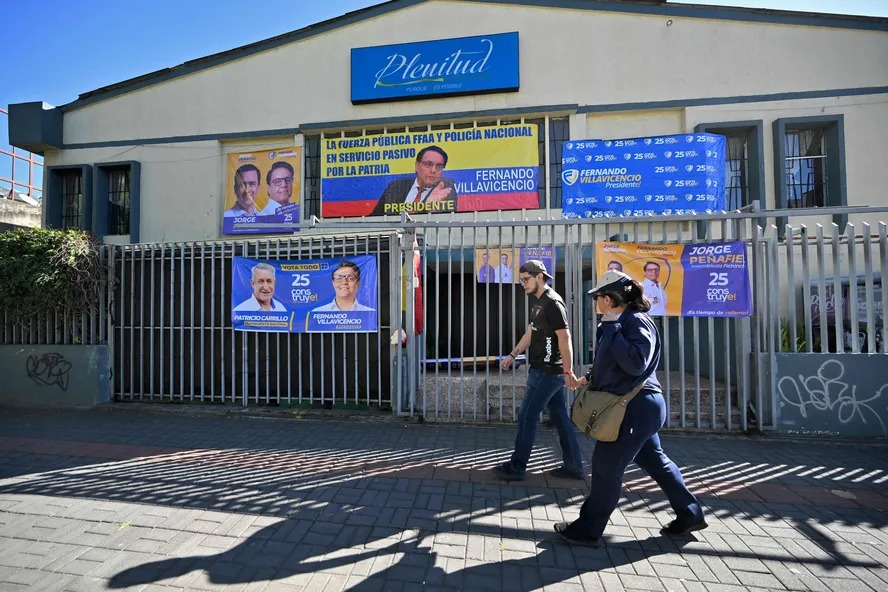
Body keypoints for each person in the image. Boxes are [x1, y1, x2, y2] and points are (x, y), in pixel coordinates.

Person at [555, 269, 706, 547]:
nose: (596, 302)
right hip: (636, 407)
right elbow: (614, 367)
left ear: (611, 299)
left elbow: (636, 364)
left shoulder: (634, 322)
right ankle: (690, 513)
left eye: (598, 297)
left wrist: (612, 328)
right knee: (656, 461)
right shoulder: (618, 322)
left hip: (635, 408)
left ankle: (587, 529)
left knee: (605, 467)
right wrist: (587, 379)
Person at [495, 260, 584, 482]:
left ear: (539, 277)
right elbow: (530, 333)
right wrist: (513, 355)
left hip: (547, 372)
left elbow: (565, 337)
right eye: (521, 280)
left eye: (526, 279)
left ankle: (517, 467)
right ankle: (574, 465)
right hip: (543, 371)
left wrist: (567, 371)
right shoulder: (538, 303)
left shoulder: (553, 303)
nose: (523, 284)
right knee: (560, 417)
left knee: (527, 416)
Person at [372, 146, 458, 216]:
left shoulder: (445, 189)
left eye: (439, 166)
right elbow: (374, 219)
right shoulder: (396, 186)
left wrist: (429, 206)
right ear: (417, 166)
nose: (433, 170)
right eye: (428, 164)